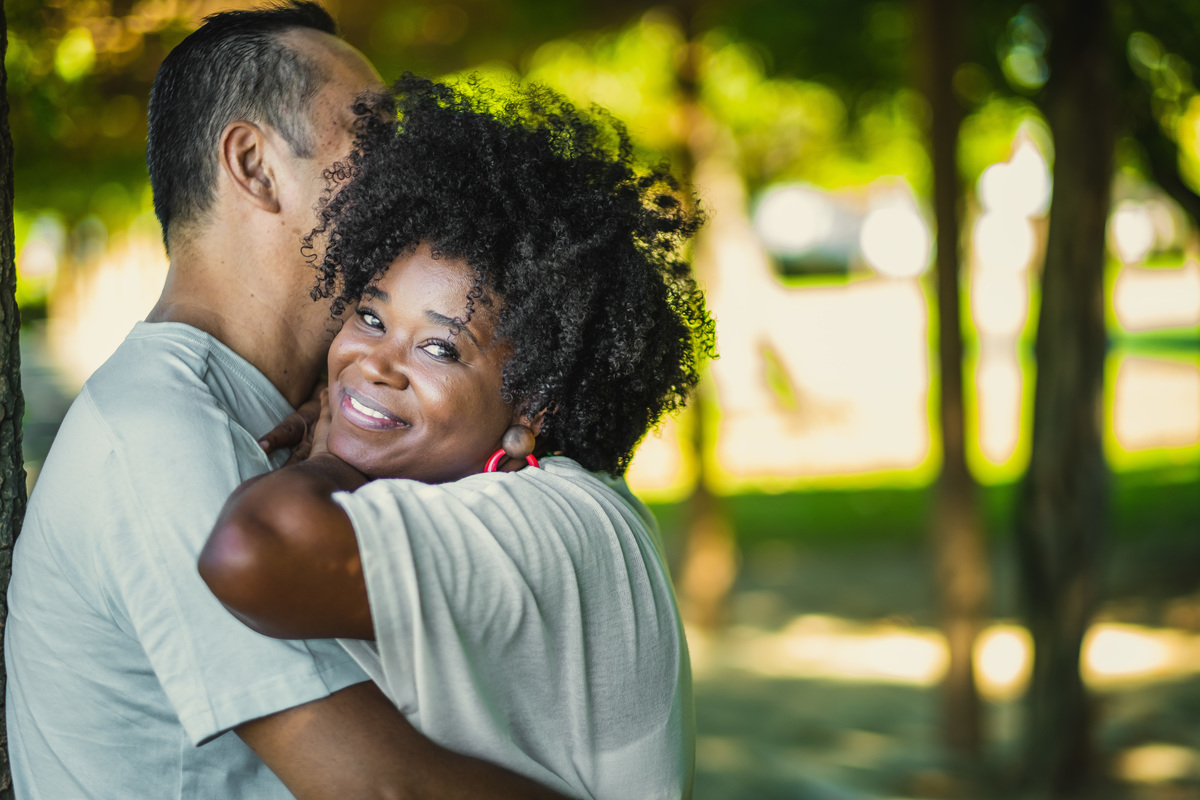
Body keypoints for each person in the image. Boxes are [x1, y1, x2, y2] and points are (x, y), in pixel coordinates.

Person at [5, 5, 566, 798]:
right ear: (256, 166)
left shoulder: (320, 414)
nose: (410, 176)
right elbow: (383, 788)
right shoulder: (157, 435)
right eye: (373, 142)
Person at [199, 75, 716, 799]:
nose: (374, 362)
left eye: (439, 349)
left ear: (532, 402)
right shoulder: (489, 494)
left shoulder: (560, 524)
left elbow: (254, 550)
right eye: (372, 318)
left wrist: (323, 462)